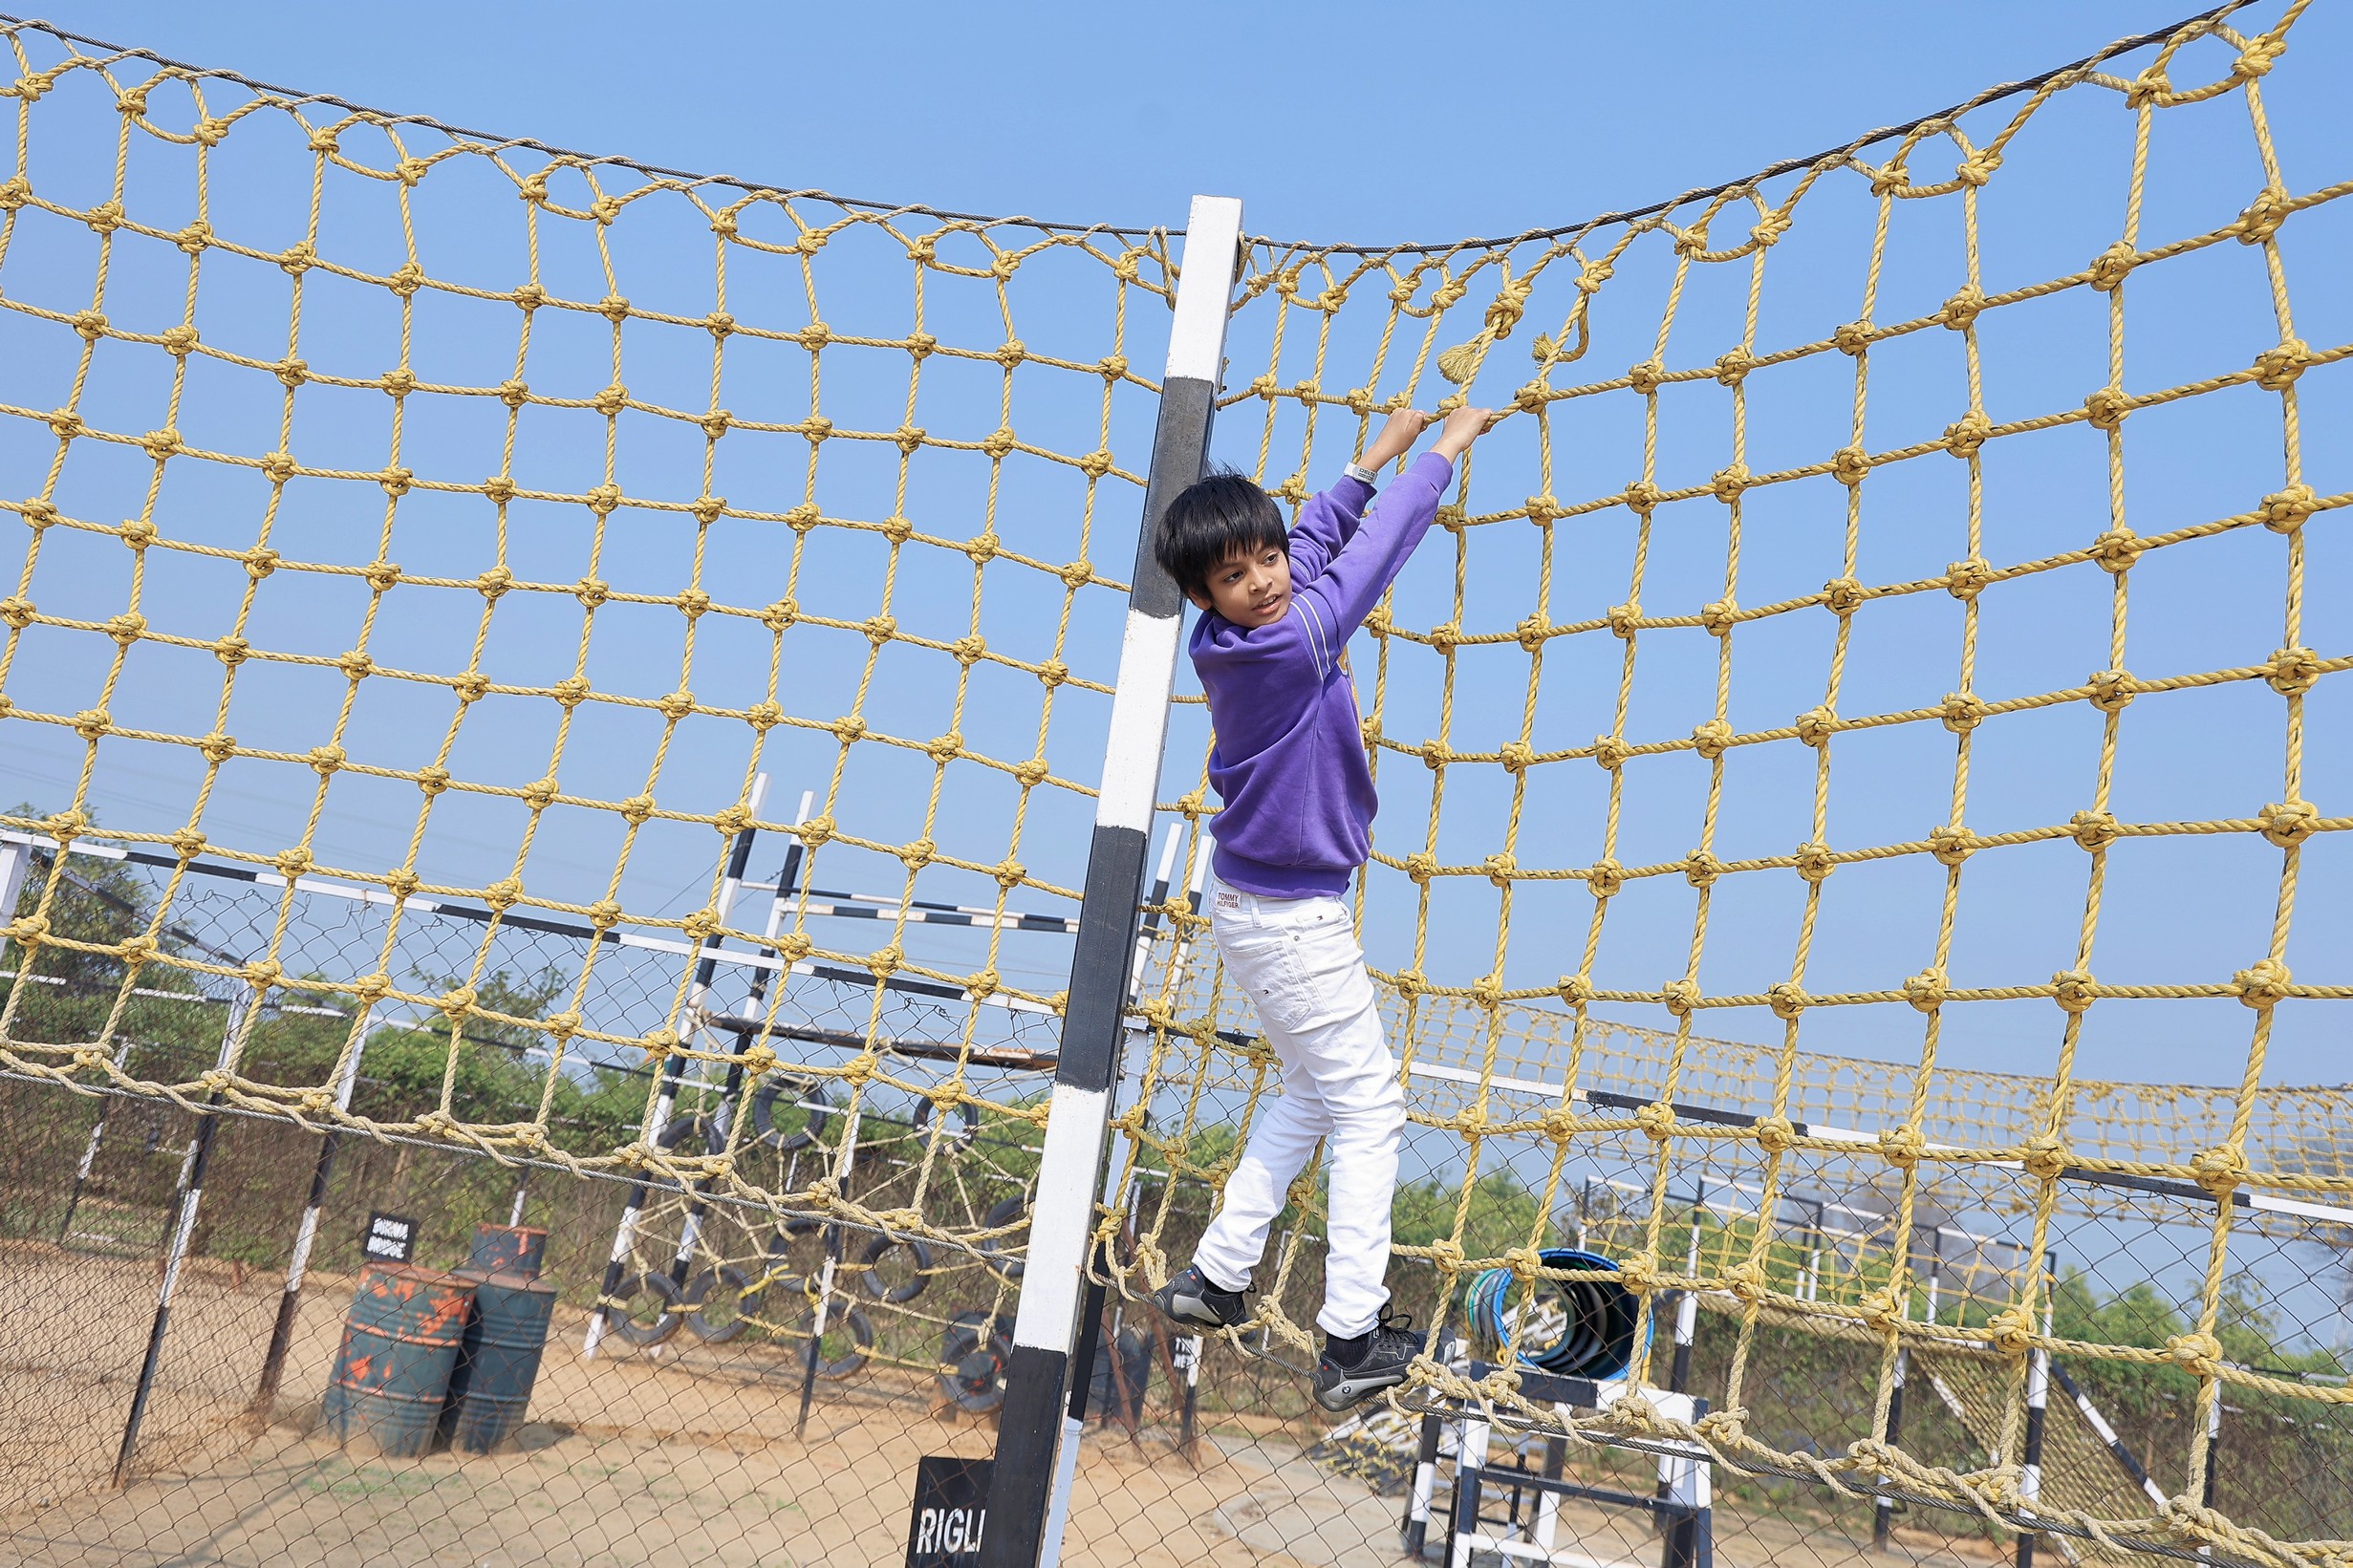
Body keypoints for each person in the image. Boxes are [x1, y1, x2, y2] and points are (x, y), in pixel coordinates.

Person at [1147, 403, 1494, 1411]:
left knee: (1310, 1092)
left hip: (1256, 905)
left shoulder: (1229, 634)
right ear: (1201, 593)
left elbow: (1309, 543)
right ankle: (1351, 1338)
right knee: (1370, 1105)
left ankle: (1216, 1276)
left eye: (1264, 560)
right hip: (1292, 917)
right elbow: (1373, 555)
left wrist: (1369, 458)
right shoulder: (1292, 640)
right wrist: (1441, 455)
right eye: (1235, 574)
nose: (1263, 578)